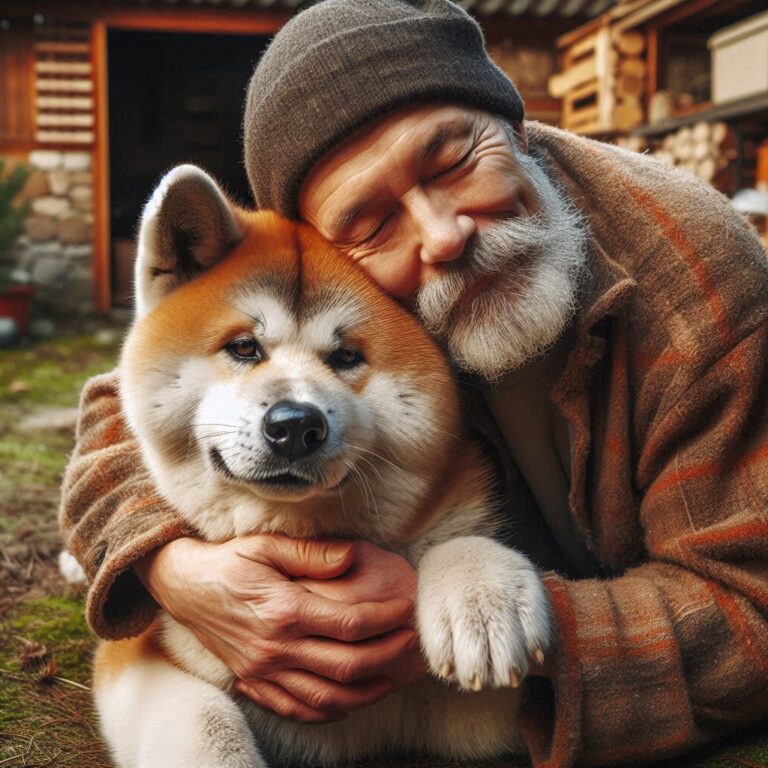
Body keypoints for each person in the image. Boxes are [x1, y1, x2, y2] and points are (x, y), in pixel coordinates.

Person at [60, 1, 768, 766]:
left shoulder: (697, 290)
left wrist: (519, 629)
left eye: (454, 159)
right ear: (319, 248)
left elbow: (751, 616)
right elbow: (126, 400)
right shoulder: (353, 293)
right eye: (369, 221)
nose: (442, 234)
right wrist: (173, 566)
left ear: (517, 128)